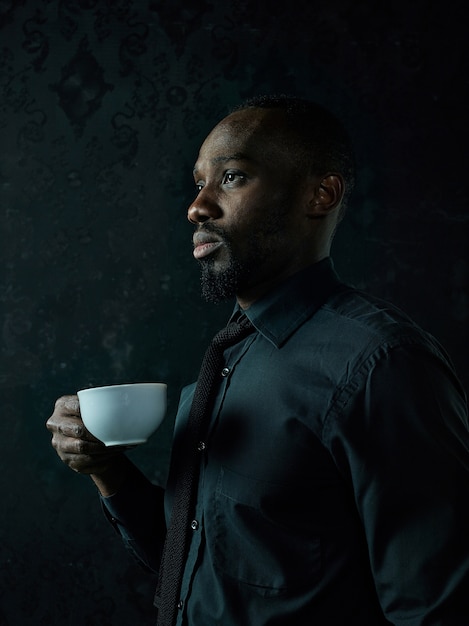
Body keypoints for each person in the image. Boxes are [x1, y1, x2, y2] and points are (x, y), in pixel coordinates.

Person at [46, 95, 469, 625]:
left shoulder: (383, 366)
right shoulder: (230, 354)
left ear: (320, 194)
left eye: (232, 178)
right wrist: (106, 469)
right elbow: (196, 571)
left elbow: (437, 609)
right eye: (198, 182)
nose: (197, 207)